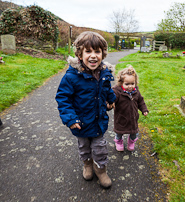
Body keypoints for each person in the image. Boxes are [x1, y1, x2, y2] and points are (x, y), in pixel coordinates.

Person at [55, 31, 116, 188]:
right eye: (88, 51)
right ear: (80, 55)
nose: (93, 55)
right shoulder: (71, 77)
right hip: (81, 122)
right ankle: (87, 164)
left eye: (97, 51)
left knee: (100, 148)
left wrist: (111, 100)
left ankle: (101, 169)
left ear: (103, 54)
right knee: (84, 147)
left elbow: (107, 89)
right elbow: (63, 98)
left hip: (99, 121)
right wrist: (71, 119)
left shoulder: (105, 73)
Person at [112, 65, 149, 152]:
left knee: (134, 132)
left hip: (133, 118)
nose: (130, 86)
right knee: (119, 132)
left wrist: (144, 110)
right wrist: (111, 102)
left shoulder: (136, 92)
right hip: (121, 118)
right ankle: (119, 141)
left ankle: (131, 142)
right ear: (121, 83)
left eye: (132, 84)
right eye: (127, 84)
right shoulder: (117, 92)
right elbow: (113, 98)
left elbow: (141, 101)